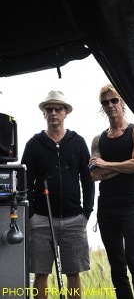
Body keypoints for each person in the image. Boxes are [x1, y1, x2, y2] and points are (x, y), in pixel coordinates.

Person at [21, 90, 94, 299]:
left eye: (58, 109)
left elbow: (87, 179)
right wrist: (32, 215)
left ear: (65, 113)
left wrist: (86, 213)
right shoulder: (34, 144)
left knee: (73, 273)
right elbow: (25, 180)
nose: (53, 112)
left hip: (74, 219)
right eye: (49, 109)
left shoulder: (78, 142)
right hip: (42, 220)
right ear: (44, 113)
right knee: (40, 273)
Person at [89, 84, 134, 299]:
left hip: (131, 205)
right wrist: (124, 165)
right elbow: (94, 175)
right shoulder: (98, 140)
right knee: (117, 264)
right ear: (102, 107)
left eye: (114, 100)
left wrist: (106, 164)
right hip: (106, 209)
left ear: (122, 102)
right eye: (105, 102)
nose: (110, 105)